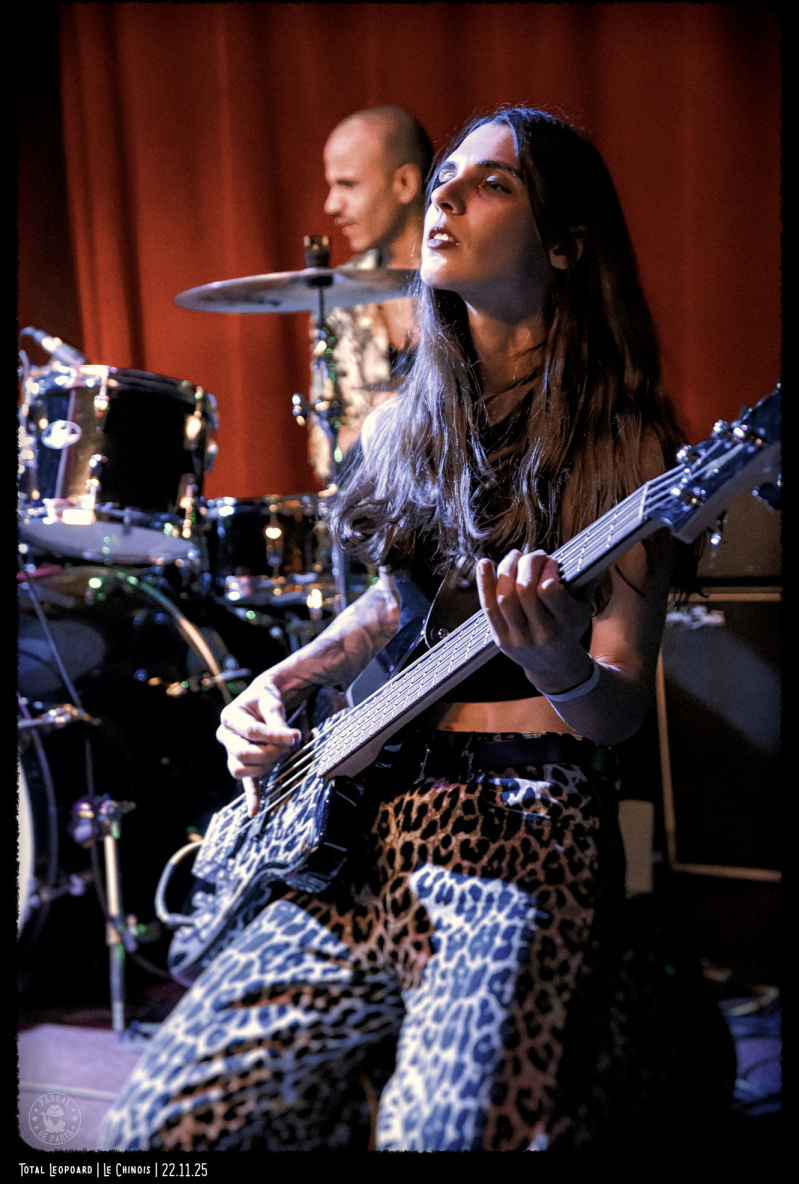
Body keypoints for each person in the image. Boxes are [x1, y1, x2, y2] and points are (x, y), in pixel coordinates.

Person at [100, 106, 694, 1152]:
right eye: (446, 175)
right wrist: (277, 684)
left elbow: (615, 708)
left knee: (440, 1136)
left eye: (492, 183)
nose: (446, 195)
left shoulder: (628, 441)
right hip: (358, 826)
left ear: (565, 245)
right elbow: (398, 605)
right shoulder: (402, 427)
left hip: (522, 834)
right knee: (154, 1131)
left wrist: (557, 668)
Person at [307, 106, 433, 483]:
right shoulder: (337, 297)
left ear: (405, 184)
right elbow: (325, 454)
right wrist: (383, 422)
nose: (331, 205)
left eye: (348, 185)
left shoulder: (472, 279)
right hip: (377, 505)